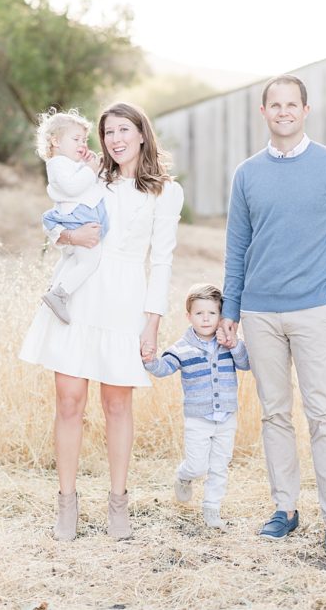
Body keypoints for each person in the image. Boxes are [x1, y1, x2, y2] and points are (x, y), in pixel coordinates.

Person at [19, 102, 184, 541]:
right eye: (108, 131)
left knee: (117, 404)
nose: (115, 139)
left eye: (123, 129)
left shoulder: (166, 192)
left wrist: (152, 322)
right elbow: (53, 224)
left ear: (142, 134)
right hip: (79, 294)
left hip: (125, 300)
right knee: (69, 400)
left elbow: (163, 262)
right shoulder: (91, 177)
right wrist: (71, 236)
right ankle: (67, 504)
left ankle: (117, 502)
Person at [218, 74, 326, 558]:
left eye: (291, 104)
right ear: (263, 112)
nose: (283, 112)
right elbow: (237, 247)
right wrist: (232, 311)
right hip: (260, 313)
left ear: (305, 110)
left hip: (313, 310)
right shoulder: (247, 173)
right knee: (275, 414)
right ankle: (285, 509)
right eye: (274, 105)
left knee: (323, 413)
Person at [142, 283, 250, 529]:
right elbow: (164, 369)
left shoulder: (228, 342)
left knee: (219, 465)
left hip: (226, 416)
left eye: (212, 313)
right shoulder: (182, 348)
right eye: (199, 313)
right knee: (197, 465)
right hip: (198, 418)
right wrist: (150, 361)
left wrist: (235, 345)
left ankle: (212, 509)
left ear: (220, 316)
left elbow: (245, 363)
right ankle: (184, 475)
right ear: (188, 316)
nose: (205, 319)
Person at [35, 109, 109, 324]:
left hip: (75, 216)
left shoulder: (67, 163)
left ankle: (54, 286)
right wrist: (90, 169)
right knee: (90, 260)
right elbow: (72, 187)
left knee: (68, 258)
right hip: (78, 218)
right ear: (56, 141)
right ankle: (59, 294)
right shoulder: (57, 164)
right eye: (76, 139)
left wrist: (88, 163)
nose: (82, 144)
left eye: (84, 140)